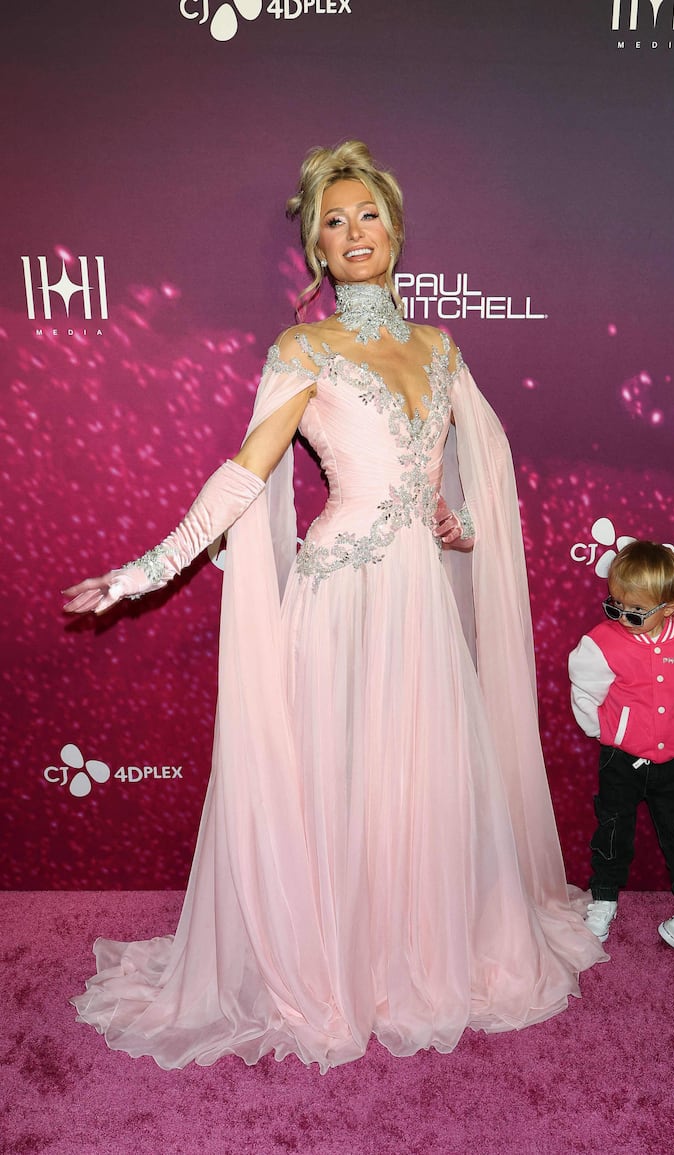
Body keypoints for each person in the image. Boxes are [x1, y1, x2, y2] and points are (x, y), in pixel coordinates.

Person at [63, 140, 604, 1071]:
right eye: (334, 221)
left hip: (417, 602)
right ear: (316, 246)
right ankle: (334, 964)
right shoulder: (303, 348)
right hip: (342, 594)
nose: (354, 232)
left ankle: (410, 954)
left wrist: (455, 523)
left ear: (396, 230)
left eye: (368, 215)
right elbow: (247, 471)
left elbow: (476, 491)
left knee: (418, 780)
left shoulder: (440, 349)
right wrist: (147, 568)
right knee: (338, 780)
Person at [568, 540, 674, 950]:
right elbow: (585, 693)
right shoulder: (601, 642)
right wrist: (610, 733)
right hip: (620, 759)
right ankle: (603, 900)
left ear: (670, 607)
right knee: (612, 830)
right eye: (614, 605)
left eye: (634, 610)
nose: (621, 616)